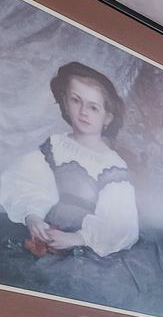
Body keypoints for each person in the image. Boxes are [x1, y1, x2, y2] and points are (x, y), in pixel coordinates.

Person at [0, 61, 138, 258]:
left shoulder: (113, 166)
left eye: (93, 107)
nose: (83, 112)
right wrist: (33, 217)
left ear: (107, 117)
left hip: (87, 249)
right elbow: (27, 183)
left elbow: (119, 224)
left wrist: (78, 238)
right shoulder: (54, 148)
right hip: (44, 233)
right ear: (64, 103)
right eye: (75, 100)